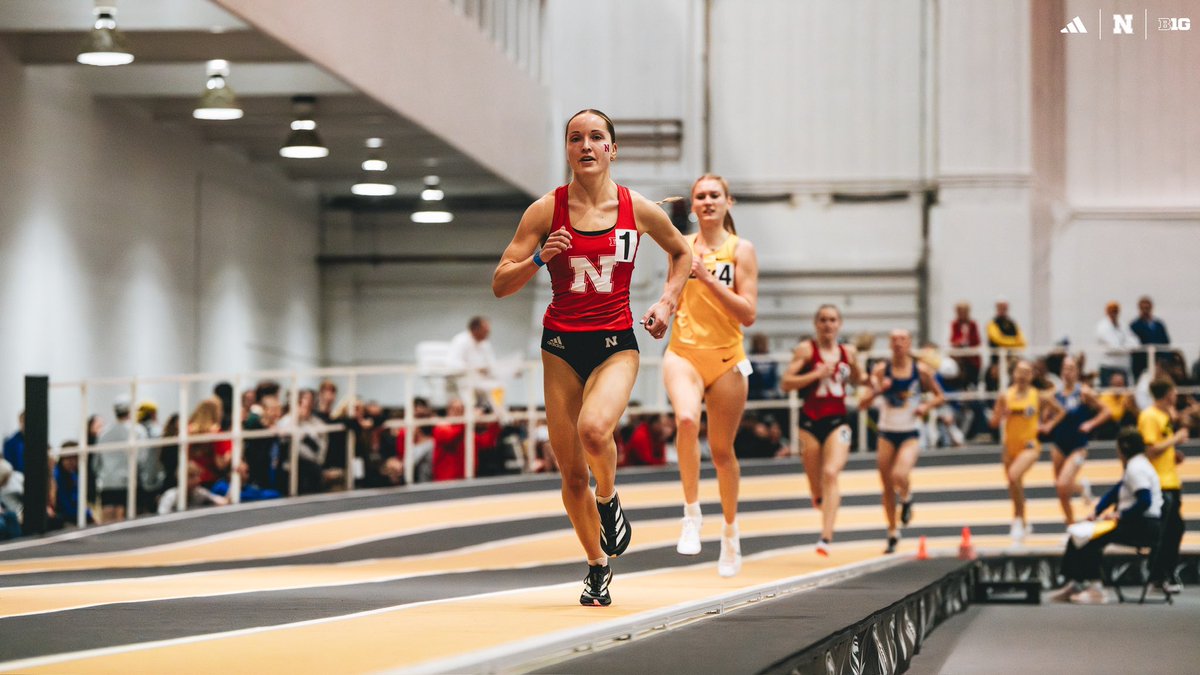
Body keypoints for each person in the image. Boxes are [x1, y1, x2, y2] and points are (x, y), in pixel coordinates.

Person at [492, 108, 691, 606]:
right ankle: (597, 565)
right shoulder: (544, 211)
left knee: (594, 430)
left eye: (596, 137)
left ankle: (610, 502)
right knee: (571, 473)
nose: (585, 145)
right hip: (560, 348)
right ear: (566, 150)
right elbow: (500, 283)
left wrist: (668, 301)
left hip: (614, 344)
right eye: (574, 137)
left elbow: (683, 253)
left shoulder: (638, 209)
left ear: (612, 149)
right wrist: (539, 258)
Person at [662, 173, 758, 577]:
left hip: (727, 359)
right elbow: (672, 292)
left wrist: (705, 276)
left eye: (714, 195)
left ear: (727, 202)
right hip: (683, 352)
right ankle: (690, 513)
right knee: (686, 420)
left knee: (721, 452)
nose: (706, 201)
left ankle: (731, 532)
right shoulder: (681, 247)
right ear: (694, 204)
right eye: (700, 196)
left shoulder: (742, 250)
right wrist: (661, 311)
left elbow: (748, 314)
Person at [780, 304, 869, 556]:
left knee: (831, 473)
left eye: (832, 320)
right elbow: (786, 383)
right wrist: (815, 374)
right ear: (816, 324)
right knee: (815, 483)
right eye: (823, 320)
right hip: (809, 421)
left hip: (837, 421)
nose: (828, 325)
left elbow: (859, 379)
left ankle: (825, 538)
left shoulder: (847, 352)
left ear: (839, 324)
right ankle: (818, 497)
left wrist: (871, 380)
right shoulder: (806, 350)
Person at [1051, 428, 1162, 604]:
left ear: (1123, 448)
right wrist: (1096, 512)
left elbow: (1145, 501)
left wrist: (1120, 515)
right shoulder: (1135, 465)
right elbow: (1115, 491)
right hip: (1139, 523)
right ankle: (1075, 582)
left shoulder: (1136, 468)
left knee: (1091, 538)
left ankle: (1096, 589)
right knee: (1078, 533)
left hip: (1143, 526)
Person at [865, 329, 944, 553]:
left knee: (899, 474)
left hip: (910, 431)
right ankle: (892, 532)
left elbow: (940, 396)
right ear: (890, 345)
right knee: (887, 486)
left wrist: (926, 406)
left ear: (909, 343)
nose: (898, 344)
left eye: (902, 339)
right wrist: (879, 391)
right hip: (887, 431)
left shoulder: (920, 371)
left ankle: (907, 497)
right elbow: (863, 403)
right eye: (894, 340)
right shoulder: (881, 370)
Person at [990, 359, 1065, 545]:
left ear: (1032, 376)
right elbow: (993, 423)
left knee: (1014, 476)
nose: (1022, 376)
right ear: (1013, 374)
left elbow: (1061, 411)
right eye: (1019, 372)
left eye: (1027, 372)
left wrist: (1048, 425)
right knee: (1014, 485)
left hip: (1030, 446)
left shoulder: (1038, 396)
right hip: (1010, 447)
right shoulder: (1005, 396)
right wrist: (1002, 414)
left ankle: (1017, 520)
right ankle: (1023, 521)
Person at [1139, 378, 1188, 592]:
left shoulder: (1164, 416)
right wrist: (1175, 440)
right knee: (1164, 532)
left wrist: (1173, 454)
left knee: (1175, 529)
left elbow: (1161, 447)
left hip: (1171, 480)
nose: (1176, 396)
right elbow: (1150, 449)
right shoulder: (1149, 416)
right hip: (1159, 482)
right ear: (1167, 393)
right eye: (1174, 392)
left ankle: (1164, 574)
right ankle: (1155, 577)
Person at [1048, 356, 1110, 524]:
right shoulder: (1055, 394)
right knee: (1061, 489)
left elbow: (1106, 411)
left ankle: (1074, 522)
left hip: (1078, 445)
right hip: (1059, 443)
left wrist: (1091, 423)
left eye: (1071, 368)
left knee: (1062, 484)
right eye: (1065, 368)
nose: (1067, 372)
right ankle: (1071, 523)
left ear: (1077, 372)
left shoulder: (1083, 392)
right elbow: (1048, 416)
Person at [95, 396, 148, 523]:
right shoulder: (138, 431)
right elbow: (142, 459)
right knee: (126, 521)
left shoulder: (104, 433)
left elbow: (97, 462)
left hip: (107, 482)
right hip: (129, 481)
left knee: (107, 520)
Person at [446, 316, 500, 407]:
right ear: (475, 329)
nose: (488, 333)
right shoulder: (460, 340)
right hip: (462, 379)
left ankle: (500, 418)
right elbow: (452, 363)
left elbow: (492, 363)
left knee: (498, 386)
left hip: (481, 379)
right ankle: (471, 415)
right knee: (469, 389)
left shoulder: (485, 344)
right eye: (485, 330)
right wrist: (474, 368)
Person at [985, 299, 1026, 390]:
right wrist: (1014, 342)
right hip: (996, 359)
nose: (1002, 310)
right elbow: (998, 339)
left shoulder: (1012, 323)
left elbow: (1022, 341)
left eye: (1004, 307)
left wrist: (1013, 344)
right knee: (993, 374)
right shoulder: (992, 323)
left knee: (1021, 368)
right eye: (1000, 307)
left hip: (1012, 357)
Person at [1095, 301, 1138, 386]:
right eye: (1111, 310)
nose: (1114, 313)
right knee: (1108, 394)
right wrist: (1127, 348)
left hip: (1123, 367)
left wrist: (1123, 347)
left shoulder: (1123, 325)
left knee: (1124, 395)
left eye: (1116, 310)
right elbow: (1114, 347)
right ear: (1107, 311)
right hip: (1108, 367)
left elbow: (1135, 341)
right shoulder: (1102, 327)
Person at [1129, 295, 1170, 380]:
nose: (1145, 311)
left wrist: (1163, 361)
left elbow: (1165, 342)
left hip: (1159, 364)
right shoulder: (1134, 326)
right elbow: (1133, 345)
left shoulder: (1159, 325)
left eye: (1147, 308)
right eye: (1143, 308)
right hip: (1141, 364)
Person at [949, 301, 982, 387]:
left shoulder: (973, 324)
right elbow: (953, 340)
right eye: (960, 311)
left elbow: (977, 341)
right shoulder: (955, 324)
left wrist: (966, 340)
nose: (962, 314)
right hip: (960, 359)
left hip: (972, 358)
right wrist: (961, 341)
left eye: (964, 311)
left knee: (973, 376)